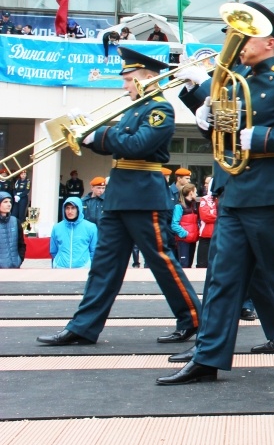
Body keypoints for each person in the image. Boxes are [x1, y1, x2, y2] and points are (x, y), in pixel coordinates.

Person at [157, 1, 274, 385]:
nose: (238, 43)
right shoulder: (234, 78)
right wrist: (205, 121)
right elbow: (225, 137)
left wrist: (264, 137)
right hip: (235, 191)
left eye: (246, 36)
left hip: (271, 191)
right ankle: (208, 357)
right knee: (222, 275)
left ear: (269, 42)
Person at [36, 47, 202, 347]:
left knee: (161, 262)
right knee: (104, 265)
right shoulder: (134, 109)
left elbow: (137, 145)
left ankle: (193, 319)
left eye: (129, 79)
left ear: (148, 79)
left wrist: (94, 134)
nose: (124, 85)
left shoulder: (159, 110)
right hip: (120, 196)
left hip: (143, 196)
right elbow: (118, 142)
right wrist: (87, 131)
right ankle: (83, 326)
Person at [50, 197, 98, 269]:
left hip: (82, 268)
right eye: (67, 208)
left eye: (73, 208)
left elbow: (94, 250)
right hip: (60, 268)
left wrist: (87, 264)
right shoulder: (57, 228)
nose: (70, 211)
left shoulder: (90, 227)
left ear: (79, 209)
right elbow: (53, 250)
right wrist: (58, 263)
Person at [171, 183, 199, 268]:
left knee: (189, 264)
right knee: (184, 265)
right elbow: (174, 225)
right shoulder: (179, 207)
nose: (197, 194)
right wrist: (185, 234)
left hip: (192, 239)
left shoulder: (194, 205)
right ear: (191, 193)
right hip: (183, 240)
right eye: (195, 192)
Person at [0, 191, 25, 268]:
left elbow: (21, 244)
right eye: (5, 202)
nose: (9, 204)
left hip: (15, 266)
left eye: (10, 202)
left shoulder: (15, 221)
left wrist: (20, 259)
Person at [196, 179, 217, 268]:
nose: (205, 185)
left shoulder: (221, 199)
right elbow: (205, 216)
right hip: (206, 236)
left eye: (207, 183)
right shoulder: (204, 199)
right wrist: (218, 217)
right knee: (202, 264)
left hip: (218, 235)